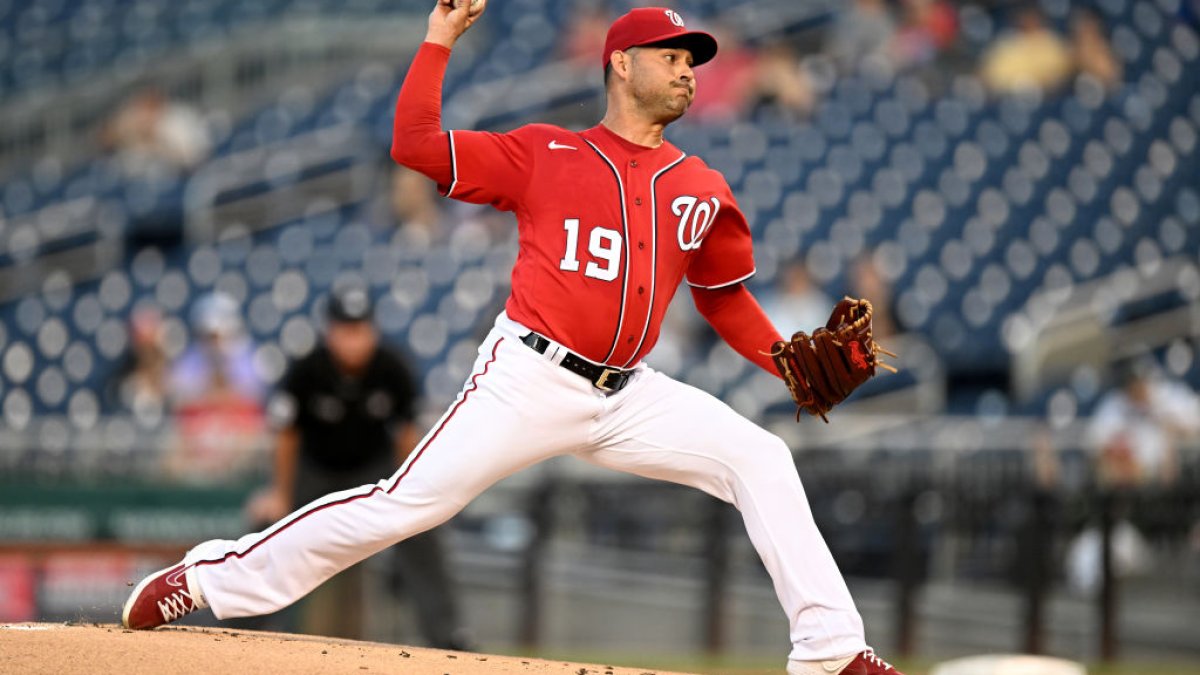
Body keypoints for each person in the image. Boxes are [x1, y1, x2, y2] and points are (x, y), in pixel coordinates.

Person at [122, 5, 901, 674]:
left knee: (760, 455)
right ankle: (209, 578)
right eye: (672, 56)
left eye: (693, 60)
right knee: (402, 506)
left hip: (631, 391)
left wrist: (785, 361)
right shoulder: (544, 152)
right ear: (621, 65)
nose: (689, 70)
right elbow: (415, 145)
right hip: (529, 377)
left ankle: (830, 647)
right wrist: (438, 39)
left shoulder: (700, 186)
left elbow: (724, 298)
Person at [244, 284, 471, 647]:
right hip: (315, 471)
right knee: (271, 526)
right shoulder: (308, 370)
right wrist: (280, 493)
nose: (354, 340)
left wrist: (411, 494)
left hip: (373, 471)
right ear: (330, 331)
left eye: (361, 330)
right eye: (346, 330)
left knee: (425, 528)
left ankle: (448, 638)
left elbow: (406, 436)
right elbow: (287, 437)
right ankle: (238, 629)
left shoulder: (392, 368)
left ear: (373, 330)